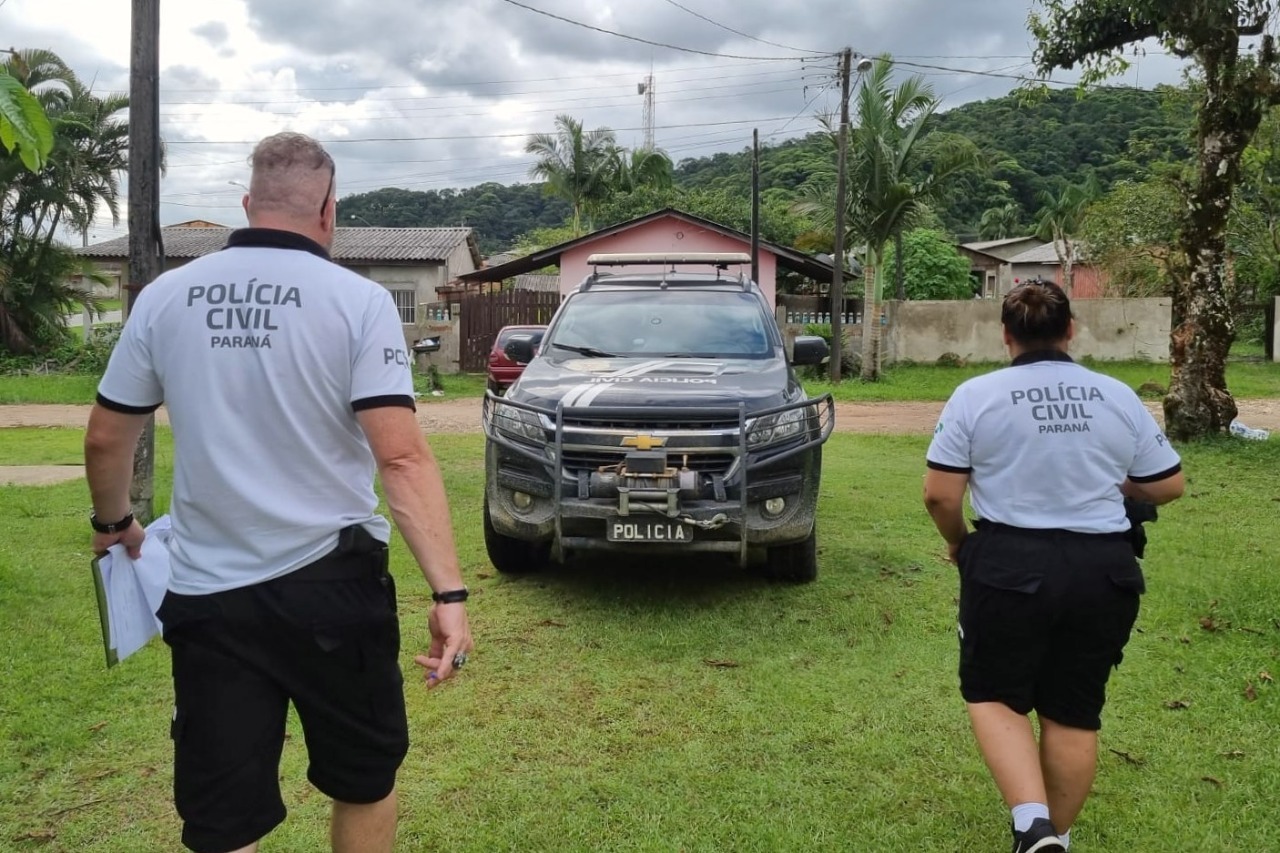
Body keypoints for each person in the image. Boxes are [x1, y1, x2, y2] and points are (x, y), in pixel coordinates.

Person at [84, 131, 472, 853]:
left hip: (208, 593)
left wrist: (115, 523)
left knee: (223, 814)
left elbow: (108, 437)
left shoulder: (167, 296)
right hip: (335, 588)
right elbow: (403, 458)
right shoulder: (357, 301)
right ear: (329, 210)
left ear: (246, 205)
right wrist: (449, 595)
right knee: (362, 779)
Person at [922, 279, 1184, 853]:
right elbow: (1168, 485)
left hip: (1009, 563)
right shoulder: (1115, 394)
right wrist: (1117, 482)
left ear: (1005, 336)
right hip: (1104, 570)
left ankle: (1031, 823)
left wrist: (959, 542)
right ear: (1071, 330)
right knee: (1074, 708)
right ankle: (1055, 840)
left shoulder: (975, 395)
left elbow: (941, 495)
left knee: (995, 693)